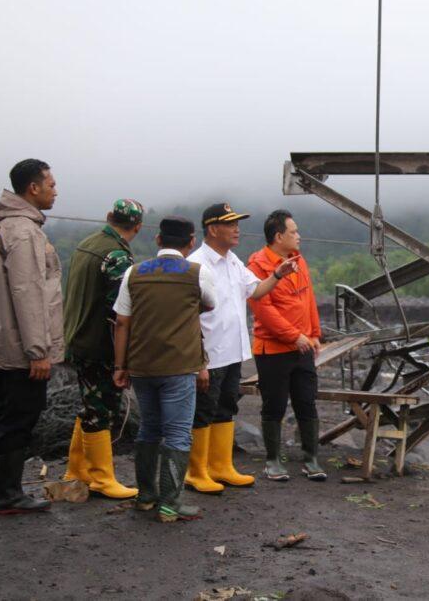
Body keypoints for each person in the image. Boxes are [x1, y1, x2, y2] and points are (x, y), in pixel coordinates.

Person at [0, 159, 62, 515]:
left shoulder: (0, 226)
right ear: (33, 188)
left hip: (3, 342)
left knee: (5, 414)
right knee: (21, 415)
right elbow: (28, 292)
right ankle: (7, 493)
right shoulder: (23, 231)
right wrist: (39, 351)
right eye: (51, 184)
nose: (56, 190)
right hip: (22, 348)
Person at [183, 202, 296, 494]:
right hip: (209, 352)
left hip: (233, 351)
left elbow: (255, 290)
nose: (237, 229)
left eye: (237, 223)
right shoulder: (197, 264)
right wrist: (198, 361)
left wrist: (278, 275)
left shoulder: (233, 261)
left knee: (226, 407)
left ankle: (221, 466)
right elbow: (187, 317)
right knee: (203, 410)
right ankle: (197, 471)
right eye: (230, 224)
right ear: (212, 228)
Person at [112, 216, 217, 523]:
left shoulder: (134, 272)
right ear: (191, 242)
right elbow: (209, 304)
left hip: (142, 366)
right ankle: (170, 504)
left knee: (149, 428)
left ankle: (145, 497)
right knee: (177, 434)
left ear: (157, 240)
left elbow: (121, 321)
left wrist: (121, 365)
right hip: (179, 365)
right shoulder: (197, 273)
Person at [61, 199, 145, 499]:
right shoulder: (117, 255)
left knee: (89, 404)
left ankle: (77, 468)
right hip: (99, 343)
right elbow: (119, 311)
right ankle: (101, 477)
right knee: (101, 408)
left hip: (76, 335)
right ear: (138, 226)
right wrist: (125, 357)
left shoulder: (87, 243)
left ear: (109, 216)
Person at [247, 209, 326, 482]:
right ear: (278, 236)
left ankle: (311, 459)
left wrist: (314, 333)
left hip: (303, 348)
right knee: (275, 404)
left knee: (307, 402)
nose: (298, 236)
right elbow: (264, 311)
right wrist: (294, 336)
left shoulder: (298, 260)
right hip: (273, 351)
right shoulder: (257, 264)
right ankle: (272, 460)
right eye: (293, 232)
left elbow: (308, 299)